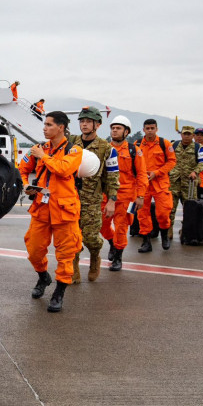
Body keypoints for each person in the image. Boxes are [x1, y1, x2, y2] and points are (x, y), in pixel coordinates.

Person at [18, 111, 83, 311]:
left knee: (66, 254)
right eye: (44, 125)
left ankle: (59, 292)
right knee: (34, 249)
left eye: (49, 125)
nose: (44, 128)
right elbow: (22, 168)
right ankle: (43, 277)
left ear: (61, 127)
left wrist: (44, 157)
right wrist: (26, 185)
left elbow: (63, 169)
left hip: (65, 209)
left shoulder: (74, 150)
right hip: (42, 207)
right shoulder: (38, 149)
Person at [69, 106, 119, 282]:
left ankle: (95, 256)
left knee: (91, 238)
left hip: (92, 200)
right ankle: (73, 268)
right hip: (70, 198)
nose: (84, 125)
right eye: (82, 121)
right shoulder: (71, 142)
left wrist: (112, 201)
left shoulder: (107, 148)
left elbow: (112, 177)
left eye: (88, 121)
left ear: (97, 124)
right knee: (72, 237)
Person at [101, 115, 148, 271]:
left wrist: (140, 196)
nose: (114, 130)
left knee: (122, 227)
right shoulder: (105, 149)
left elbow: (141, 174)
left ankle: (118, 257)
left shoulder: (134, 151)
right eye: (113, 128)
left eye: (118, 128)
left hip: (127, 197)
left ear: (126, 132)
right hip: (106, 196)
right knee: (102, 224)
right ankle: (112, 244)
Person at [136, 119, 176, 252]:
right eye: (147, 128)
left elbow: (171, 162)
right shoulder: (137, 145)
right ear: (143, 130)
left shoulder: (164, 144)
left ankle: (164, 235)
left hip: (161, 183)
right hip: (143, 184)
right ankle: (146, 241)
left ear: (156, 129)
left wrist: (157, 173)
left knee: (164, 212)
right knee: (142, 213)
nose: (150, 130)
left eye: (152, 128)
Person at [168, 125, 203, 240]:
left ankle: (186, 230)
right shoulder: (174, 145)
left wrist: (195, 171)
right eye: (184, 134)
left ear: (193, 136)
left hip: (189, 183)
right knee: (170, 207)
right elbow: (168, 160)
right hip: (174, 181)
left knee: (189, 209)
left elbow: (202, 163)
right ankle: (169, 229)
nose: (186, 136)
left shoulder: (199, 147)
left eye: (189, 134)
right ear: (181, 134)